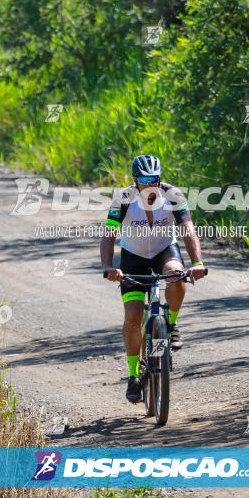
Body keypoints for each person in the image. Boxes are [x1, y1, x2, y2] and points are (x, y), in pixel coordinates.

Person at [100, 155, 207, 403]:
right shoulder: (123, 199)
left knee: (176, 277)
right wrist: (107, 266)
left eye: (155, 179)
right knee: (134, 316)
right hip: (133, 257)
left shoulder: (173, 195)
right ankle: (132, 375)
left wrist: (197, 263)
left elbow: (187, 230)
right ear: (135, 181)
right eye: (145, 180)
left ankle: (170, 325)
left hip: (164, 252)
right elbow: (108, 236)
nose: (151, 184)